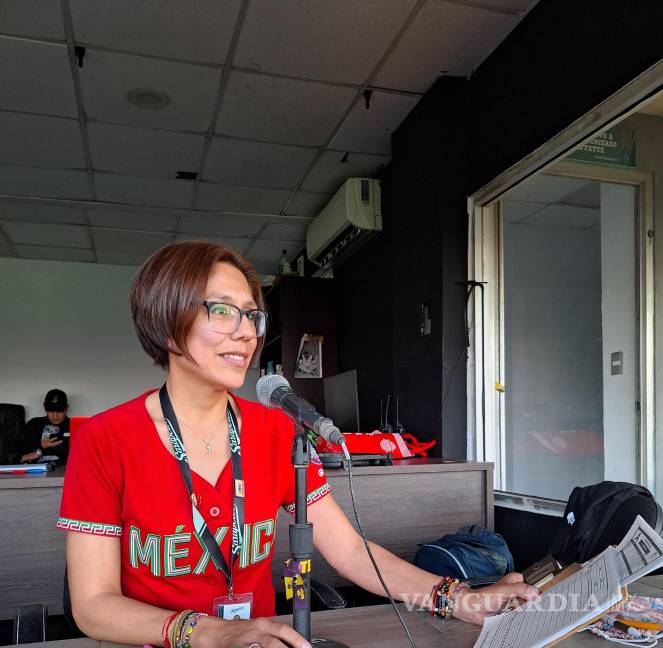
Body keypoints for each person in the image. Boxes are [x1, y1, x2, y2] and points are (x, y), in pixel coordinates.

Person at [58, 241, 538, 648]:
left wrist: (458, 599)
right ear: (166, 323)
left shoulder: (276, 432)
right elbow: (93, 604)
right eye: (222, 310)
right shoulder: (104, 440)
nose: (246, 332)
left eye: (252, 315)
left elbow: (349, 551)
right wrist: (209, 633)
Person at [20, 388, 70, 464]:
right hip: (35, 470)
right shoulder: (34, 425)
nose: (55, 416)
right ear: (44, 407)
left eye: (60, 411)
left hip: (65, 470)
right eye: (51, 410)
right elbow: (12, 457)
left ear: (66, 408)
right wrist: (39, 450)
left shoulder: (73, 426)